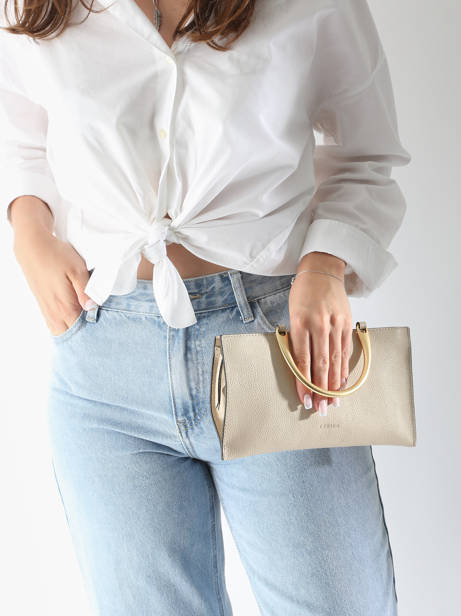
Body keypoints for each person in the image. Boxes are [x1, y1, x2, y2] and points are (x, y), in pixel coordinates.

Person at [1, 0, 411, 613]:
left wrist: (326, 263)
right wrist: (30, 232)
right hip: (105, 359)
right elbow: (21, 136)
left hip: (281, 353)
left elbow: (367, 153)